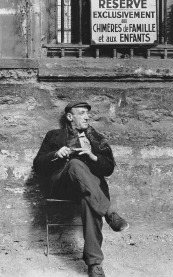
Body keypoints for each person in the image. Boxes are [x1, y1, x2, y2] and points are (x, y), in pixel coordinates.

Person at [33, 101, 129, 277]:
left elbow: (109, 168)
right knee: (76, 164)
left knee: (89, 201)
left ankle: (94, 265)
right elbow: (38, 165)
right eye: (82, 113)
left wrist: (93, 156)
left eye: (88, 114)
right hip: (63, 185)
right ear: (70, 117)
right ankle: (109, 213)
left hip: (89, 190)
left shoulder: (97, 139)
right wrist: (56, 154)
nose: (86, 117)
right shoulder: (54, 136)